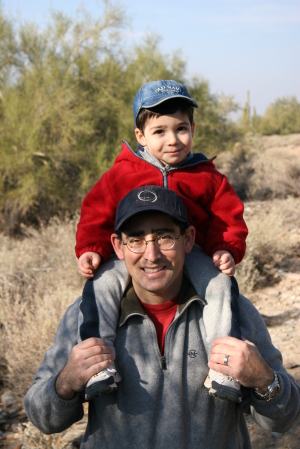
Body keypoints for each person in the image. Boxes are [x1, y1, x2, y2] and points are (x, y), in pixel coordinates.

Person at [24, 187, 300, 449]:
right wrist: (65, 383)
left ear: (188, 239)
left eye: (165, 237)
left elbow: (285, 417)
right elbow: (43, 417)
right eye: (135, 240)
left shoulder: (231, 310)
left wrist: (265, 380)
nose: (151, 255)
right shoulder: (89, 314)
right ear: (118, 246)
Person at [75, 79, 248, 401]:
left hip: (190, 250)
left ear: (193, 129)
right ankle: (97, 363)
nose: (173, 140)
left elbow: (228, 217)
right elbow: (95, 214)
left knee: (221, 285)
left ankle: (225, 367)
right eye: (160, 131)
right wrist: (90, 249)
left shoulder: (206, 175)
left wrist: (226, 247)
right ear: (141, 136)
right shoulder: (122, 174)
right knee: (100, 285)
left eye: (181, 129)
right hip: (133, 252)